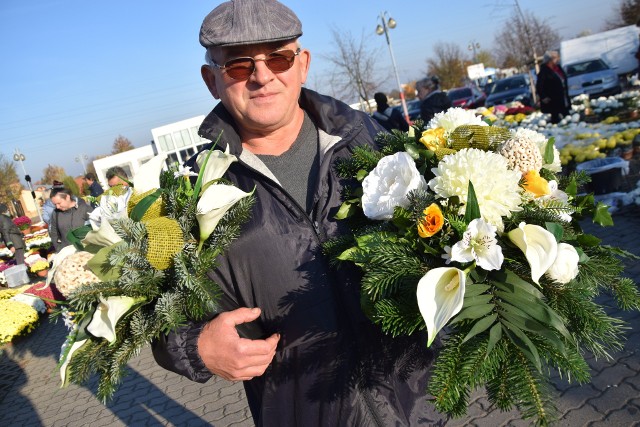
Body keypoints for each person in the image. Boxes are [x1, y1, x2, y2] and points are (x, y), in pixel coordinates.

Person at [151, 1, 444, 426]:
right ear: (211, 80)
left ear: (302, 64)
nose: (262, 75)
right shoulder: (195, 191)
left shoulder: (373, 140)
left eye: (279, 57)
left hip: (418, 405)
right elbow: (155, 307)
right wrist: (197, 346)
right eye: (238, 66)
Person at [49, 187, 92, 251]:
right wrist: (59, 249)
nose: (57, 207)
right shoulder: (56, 213)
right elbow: (54, 233)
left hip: (87, 250)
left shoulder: (85, 209)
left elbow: (95, 229)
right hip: (67, 253)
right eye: (55, 204)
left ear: (67, 197)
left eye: (59, 203)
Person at [536, 50, 570, 124]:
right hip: (553, 99)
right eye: (555, 58)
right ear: (550, 60)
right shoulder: (544, 71)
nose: (558, 59)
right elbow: (539, 85)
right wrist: (543, 96)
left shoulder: (558, 68)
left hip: (562, 96)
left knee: (566, 115)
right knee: (556, 117)